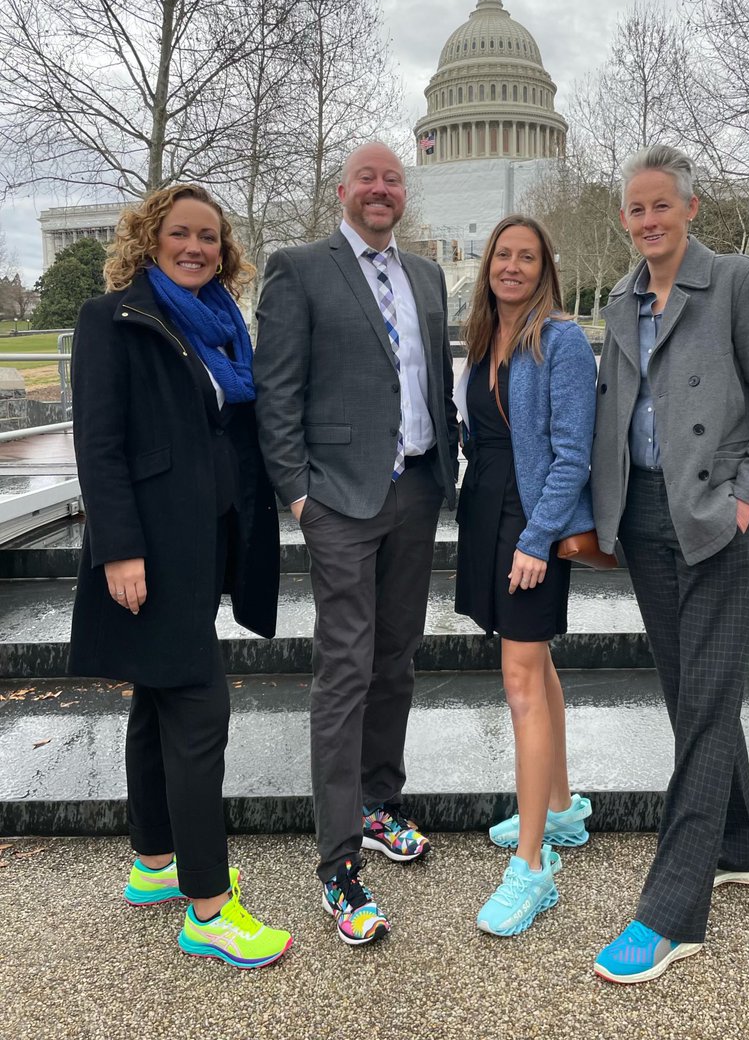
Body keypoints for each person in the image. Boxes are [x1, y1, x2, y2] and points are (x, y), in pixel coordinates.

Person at [590, 144, 749, 983]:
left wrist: (747, 501)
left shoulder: (742, 282)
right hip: (645, 516)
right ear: (625, 220)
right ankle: (743, 845)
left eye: (661, 206)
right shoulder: (618, 297)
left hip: (719, 518)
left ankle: (672, 914)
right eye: (636, 210)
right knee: (691, 692)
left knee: (708, 702)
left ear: (691, 210)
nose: (649, 221)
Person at [69, 184, 291, 969]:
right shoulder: (114, 319)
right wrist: (119, 550)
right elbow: (98, 445)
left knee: (157, 699)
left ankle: (155, 862)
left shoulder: (223, 326)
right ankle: (207, 909)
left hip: (210, 539)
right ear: (149, 237)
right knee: (200, 715)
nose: (195, 246)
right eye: (180, 234)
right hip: (154, 550)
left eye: (209, 237)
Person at [254, 142, 457, 946]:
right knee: (344, 668)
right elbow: (278, 391)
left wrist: (445, 468)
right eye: (367, 178)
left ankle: (378, 804)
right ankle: (338, 866)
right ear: (343, 191)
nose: (381, 189)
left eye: (392, 179)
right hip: (336, 499)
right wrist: (299, 495)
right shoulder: (299, 267)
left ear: (405, 192)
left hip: (415, 490)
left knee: (396, 658)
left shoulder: (428, 275)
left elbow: (433, 377)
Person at [453, 214, 596, 937]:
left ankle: (533, 869)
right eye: (503, 255)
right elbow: (478, 433)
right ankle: (563, 808)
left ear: (545, 269)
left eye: (527, 257)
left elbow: (574, 453)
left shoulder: (561, 340)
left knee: (518, 682)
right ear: (488, 266)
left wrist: (537, 539)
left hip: (530, 520)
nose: (513, 266)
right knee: (534, 669)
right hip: (487, 511)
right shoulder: (485, 338)